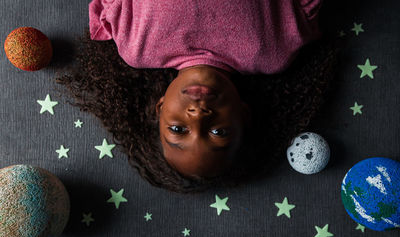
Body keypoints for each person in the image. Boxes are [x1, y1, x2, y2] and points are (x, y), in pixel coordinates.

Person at [55, 0, 343, 193]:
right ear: (243, 115)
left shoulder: (137, 47)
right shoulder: (273, 52)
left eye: (178, 129)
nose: (198, 116)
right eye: (218, 132)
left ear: (160, 108)